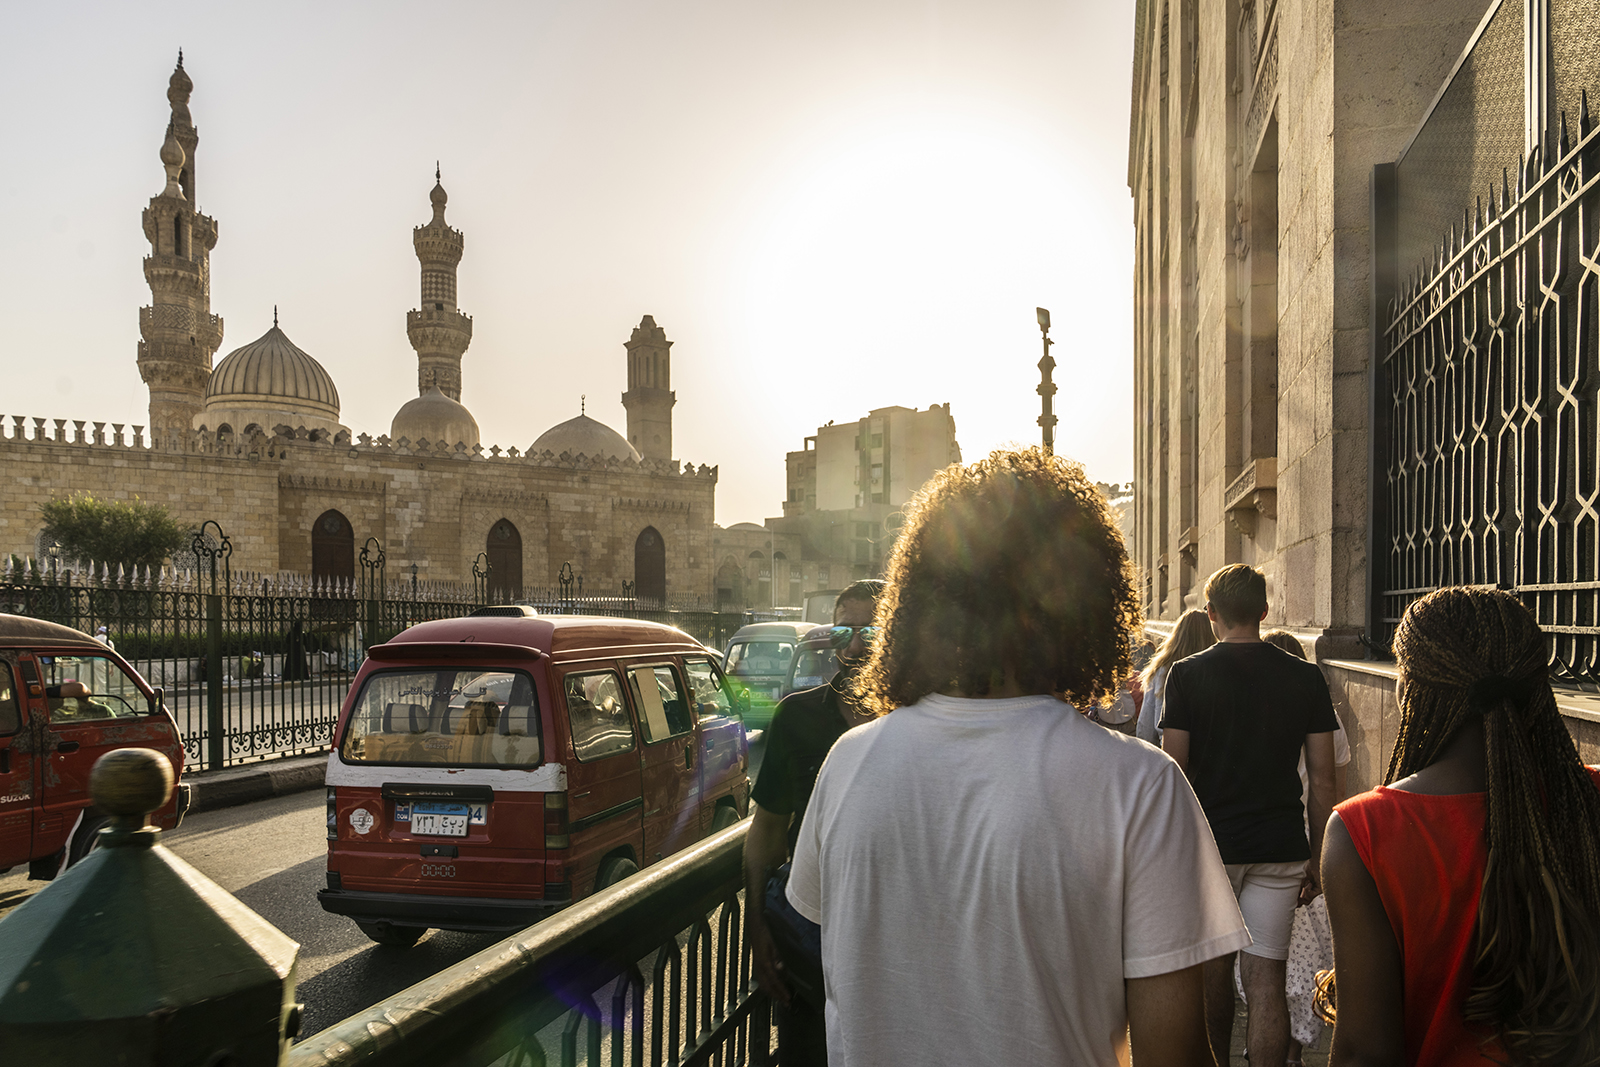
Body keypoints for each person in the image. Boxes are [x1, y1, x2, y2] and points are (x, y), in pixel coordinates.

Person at [787, 449, 1249, 1066]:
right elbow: (1173, 1054)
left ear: (922, 598)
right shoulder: (1139, 787)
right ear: (1086, 597)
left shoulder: (848, 764)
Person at [1322, 588, 1600, 1066]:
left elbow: (1366, 1052)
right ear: (1539, 681)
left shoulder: (1364, 831)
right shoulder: (1588, 799)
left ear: (1409, 688)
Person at [1161, 564, 1339, 1067]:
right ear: (1264, 611)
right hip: (1280, 847)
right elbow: (1324, 779)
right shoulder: (1305, 677)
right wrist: (1318, 857)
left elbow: (1175, 770)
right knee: (1267, 981)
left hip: (1212, 849)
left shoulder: (1187, 674)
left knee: (1213, 976)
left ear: (1212, 613)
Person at [743, 578, 884, 1066]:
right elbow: (766, 833)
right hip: (809, 933)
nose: (855, 644)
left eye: (870, 631)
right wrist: (758, 924)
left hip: (887, 936)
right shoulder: (796, 717)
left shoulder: (913, 719)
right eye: (843, 631)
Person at [1260, 628, 1350, 1065]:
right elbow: (1336, 791)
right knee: (1309, 958)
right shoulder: (1326, 718)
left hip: (1269, 846)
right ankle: (1290, 1050)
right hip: (1312, 844)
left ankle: (1268, 1042)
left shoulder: (1253, 715)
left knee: (1275, 961)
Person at [1137, 607, 1215, 745]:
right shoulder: (1214, 669)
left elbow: (1145, 728)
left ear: (1177, 635)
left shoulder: (1161, 670)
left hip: (1167, 751)